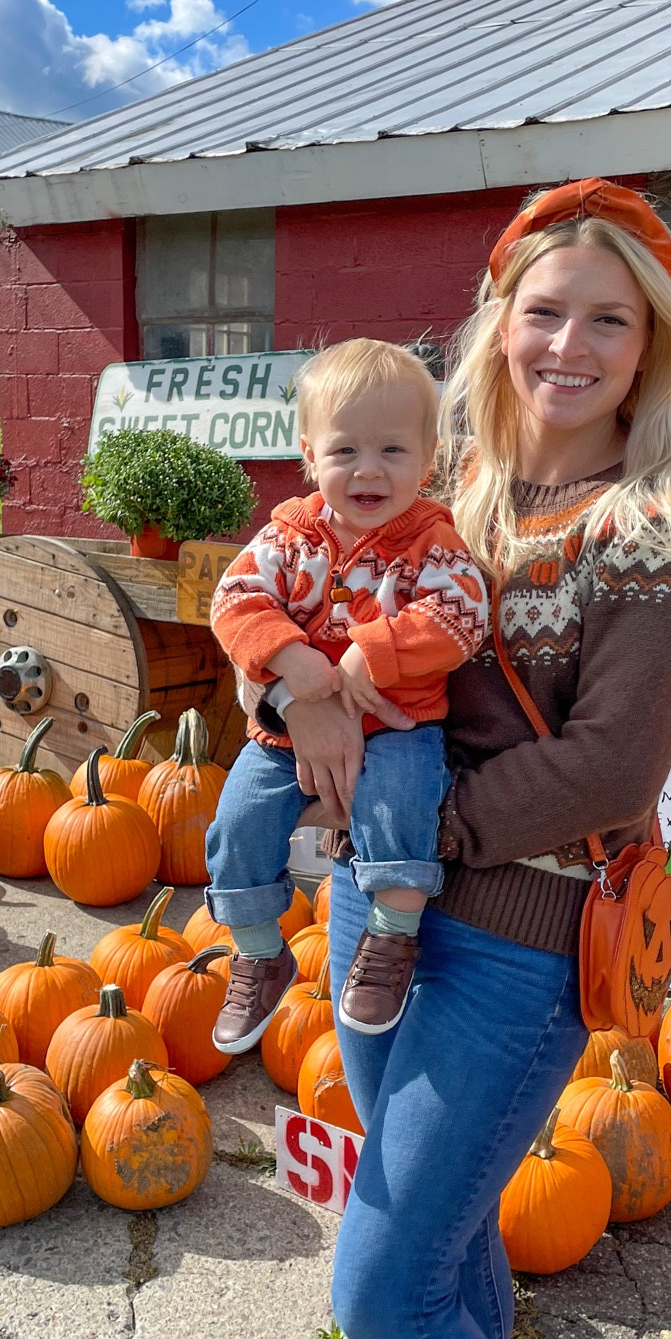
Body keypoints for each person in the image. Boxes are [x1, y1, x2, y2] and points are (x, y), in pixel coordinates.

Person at [256, 181, 671, 1339]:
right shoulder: (427, 491)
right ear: (500, 325)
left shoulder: (651, 525)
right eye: (546, 312)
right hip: (369, 908)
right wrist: (280, 678)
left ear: (651, 346)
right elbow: (293, 623)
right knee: (451, 1239)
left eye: (610, 320)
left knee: (382, 1281)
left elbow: (608, 765)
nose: (572, 344)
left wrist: (418, 831)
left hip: (518, 939)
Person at [206, 337, 489, 1053]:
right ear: (310, 455)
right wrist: (290, 657)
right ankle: (259, 951)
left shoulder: (433, 543)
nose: (368, 470)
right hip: (284, 734)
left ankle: (391, 942)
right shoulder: (290, 539)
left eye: (393, 452)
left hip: (400, 726)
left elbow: (463, 615)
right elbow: (234, 598)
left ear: (429, 459)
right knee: (236, 822)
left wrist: (376, 650)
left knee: (399, 811)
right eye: (345, 452)